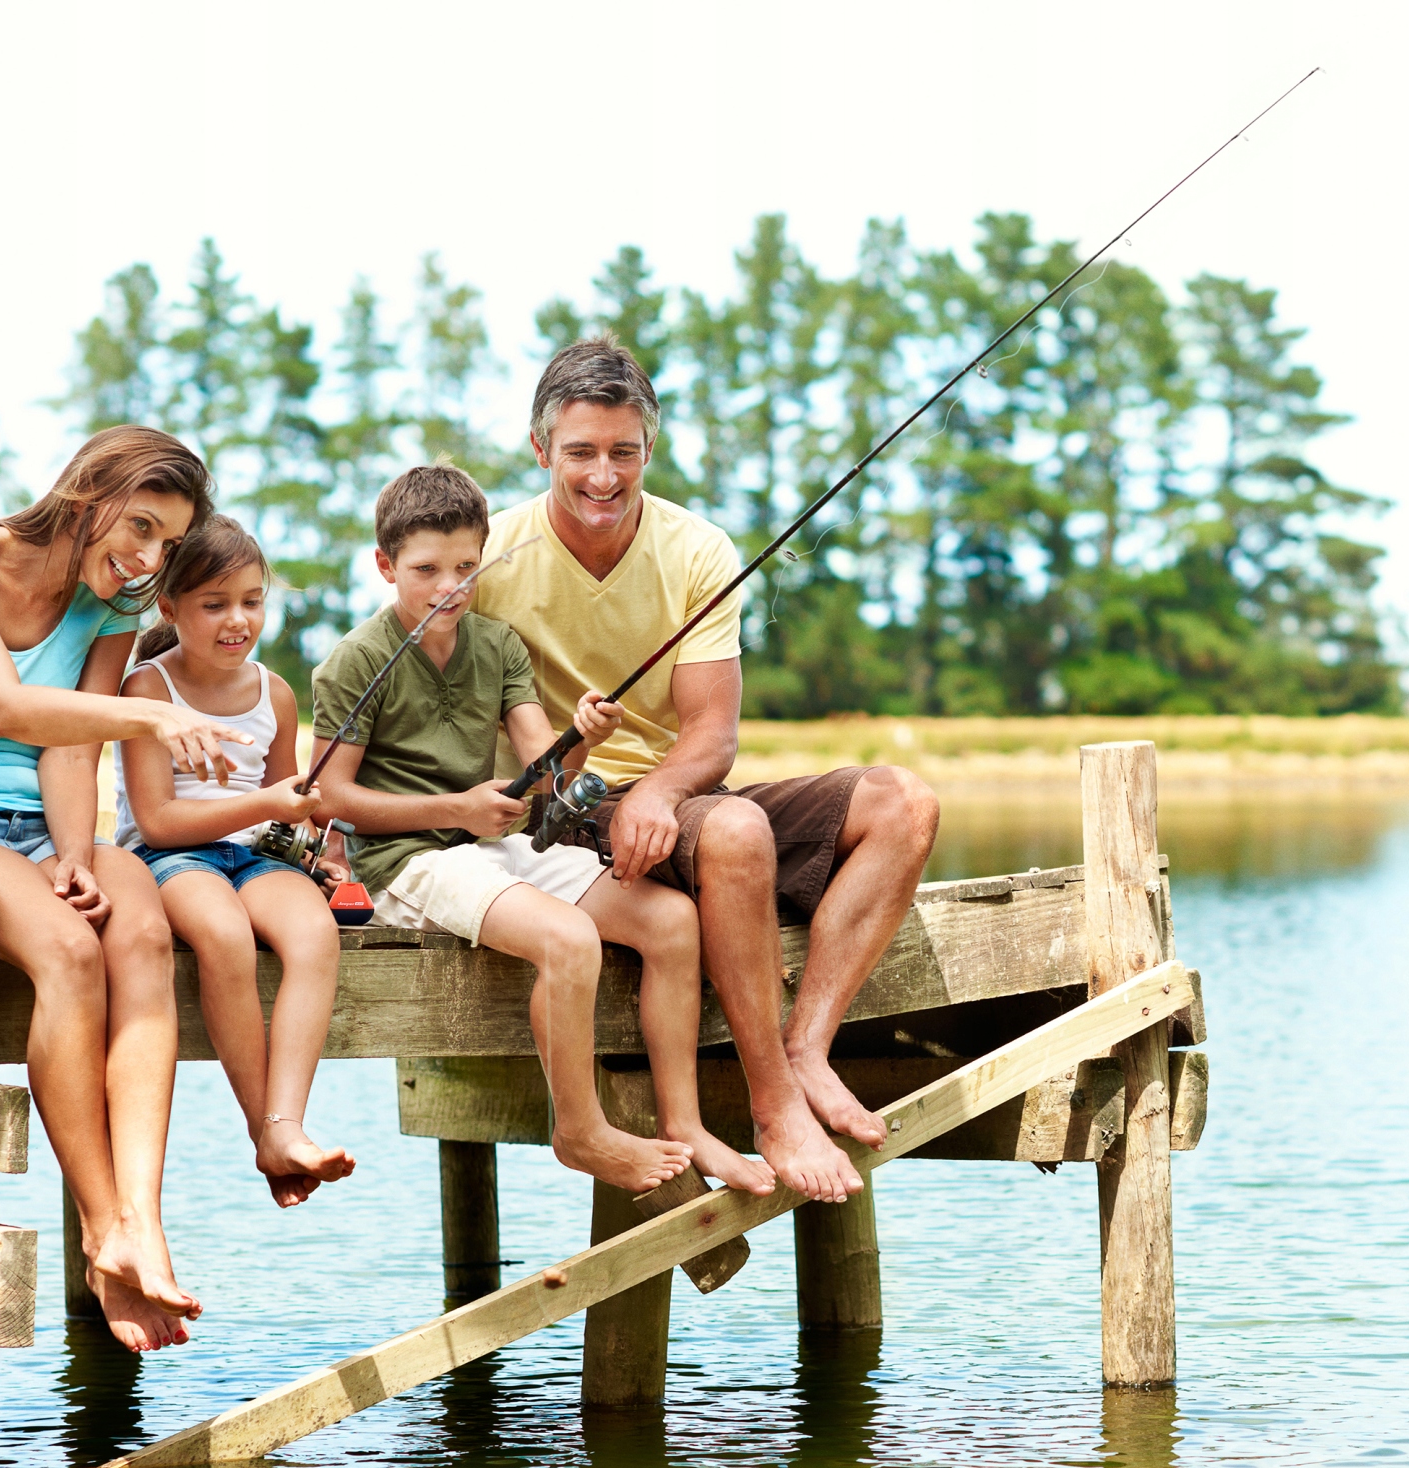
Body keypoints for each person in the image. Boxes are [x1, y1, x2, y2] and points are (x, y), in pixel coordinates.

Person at [473, 337, 941, 1206]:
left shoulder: (698, 549)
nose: (603, 476)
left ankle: (805, 1048)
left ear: (650, 450)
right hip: (557, 809)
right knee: (734, 827)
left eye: (623, 452)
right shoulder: (491, 557)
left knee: (902, 804)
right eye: (580, 453)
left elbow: (711, 734)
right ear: (542, 451)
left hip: (676, 799)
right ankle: (773, 1108)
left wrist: (656, 790)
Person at [0, 426, 248, 1353]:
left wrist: (75, 851)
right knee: (71, 950)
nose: (148, 559)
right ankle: (103, 1228)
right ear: (87, 493)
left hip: (38, 830)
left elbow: (71, 745)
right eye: (141, 527)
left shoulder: (109, 607)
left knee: (139, 926)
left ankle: (142, 1224)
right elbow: (3, 706)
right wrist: (151, 715)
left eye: (167, 544)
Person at [309, 462, 727, 1196]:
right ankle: (580, 1129)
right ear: (385, 566)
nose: (451, 587)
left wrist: (585, 734)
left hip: (485, 846)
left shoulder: (497, 645)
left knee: (671, 922)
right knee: (569, 939)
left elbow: (546, 767)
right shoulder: (354, 661)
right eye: (427, 569)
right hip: (405, 862)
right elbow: (328, 797)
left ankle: (683, 1120)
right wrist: (455, 810)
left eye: (467, 568)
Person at [116, 515, 357, 1209]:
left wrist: (310, 836)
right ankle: (267, 1130)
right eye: (214, 604)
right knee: (222, 935)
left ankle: (287, 1121)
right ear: (170, 607)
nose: (237, 620)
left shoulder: (275, 694)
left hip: (253, 859)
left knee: (313, 932)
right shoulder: (147, 691)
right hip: (169, 859)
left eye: (251, 601)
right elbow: (158, 820)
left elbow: (286, 805)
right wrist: (268, 807)